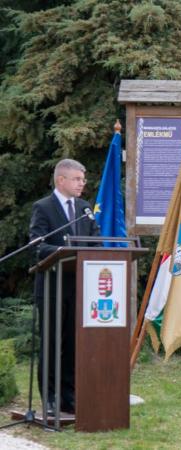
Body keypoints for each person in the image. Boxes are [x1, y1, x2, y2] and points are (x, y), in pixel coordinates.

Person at [30, 159, 100, 415]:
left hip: (79, 286)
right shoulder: (43, 207)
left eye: (83, 179)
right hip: (51, 285)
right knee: (51, 343)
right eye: (77, 179)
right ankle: (49, 398)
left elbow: (95, 241)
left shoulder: (84, 208)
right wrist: (63, 250)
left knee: (73, 343)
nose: (82, 183)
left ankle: (69, 397)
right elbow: (37, 246)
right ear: (62, 180)